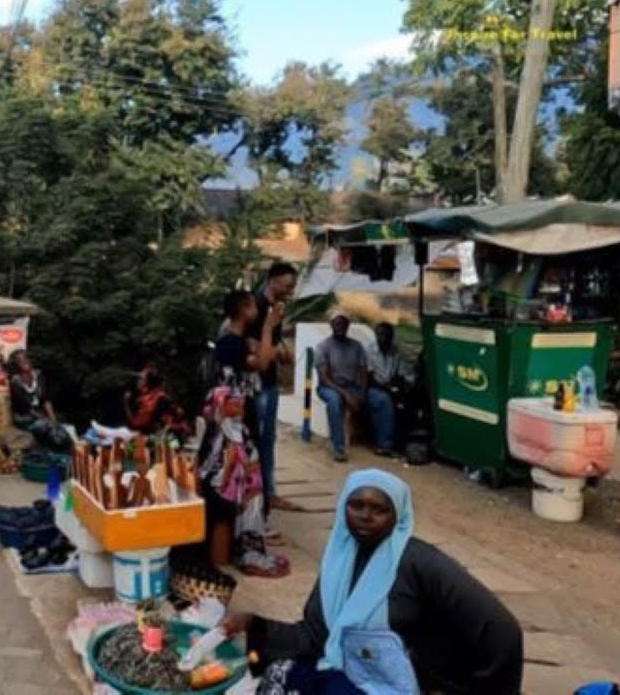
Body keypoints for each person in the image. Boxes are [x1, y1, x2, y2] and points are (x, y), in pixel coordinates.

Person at [220, 470, 524, 694]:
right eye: (357, 506)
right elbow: (317, 636)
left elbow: (501, 630)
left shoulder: (420, 563)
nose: (365, 517)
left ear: (398, 516)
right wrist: (252, 623)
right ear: (343, 509)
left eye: (379, 509)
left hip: (399, 686)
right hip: (346, 671)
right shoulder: (340, 558)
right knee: (274, 677)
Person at [211, 289, 290, 552]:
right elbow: (263, 363)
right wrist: (269, 326)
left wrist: (273, 340)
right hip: (234, 421)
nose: (256, 309)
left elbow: (267, 354)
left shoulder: (241, 339)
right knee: (240, 475)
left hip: (242, 415)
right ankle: (243, 534)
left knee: (245, 475)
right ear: (243, 310)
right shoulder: (230, 343)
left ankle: (249, 530)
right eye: (252, 306)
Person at [249, 261, 298, 512]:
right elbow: (251, 344)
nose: (291, 290)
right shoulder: (255, 305)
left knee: (268, 438)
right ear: (273, 280)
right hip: (256, 382)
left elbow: (275, 339)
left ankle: (270, 492)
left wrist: (284, 352)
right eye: (288, 285)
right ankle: (257, 494)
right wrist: (276, 352)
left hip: (270, 380)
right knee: (257, 439)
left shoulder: (277, 306)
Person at [316, 314, 394, 462]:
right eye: (337, 324)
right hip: (330, 388)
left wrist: (362, 394)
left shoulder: (356, 346)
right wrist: (346, 394)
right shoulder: (323, 347)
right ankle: (339, 449)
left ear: (348, 326)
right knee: (334, 402)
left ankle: (385, 445)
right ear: (331, 325)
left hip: (353, 387)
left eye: (343, 324)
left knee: (383, 399)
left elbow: (363, 372)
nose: (340, 327)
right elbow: (324, 378)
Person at [7, 350, 73, 453]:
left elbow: (46, 399)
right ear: (16, 364)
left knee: (59, 425)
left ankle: (61, 450)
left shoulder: (38, 375)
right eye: (20, 360)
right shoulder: (15, 382)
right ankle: (48, 451)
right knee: (44, 426)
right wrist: (47, 420)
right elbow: (25, 407)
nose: (24, 361)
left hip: (39, 413)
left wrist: (53, 419)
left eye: (26, 358)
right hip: (24, 417)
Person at [367, 323, 416, 454]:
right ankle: (384, 444)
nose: (384, 338)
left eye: (387, 335)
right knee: (385, 401)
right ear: (376, 335)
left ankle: (402, 443)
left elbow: (401, 374)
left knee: (406, 402)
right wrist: (388, 388)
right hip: (372, 388)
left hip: (390, 387)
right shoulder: (370, 350)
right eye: (381, 335)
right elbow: (368, 377)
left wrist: (398, 388)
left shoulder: (395, 351)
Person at [123, 366, 190, 439]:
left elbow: (179, 413)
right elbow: (133, 422)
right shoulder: (141, 398)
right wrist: (126, 403)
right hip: (140, 434)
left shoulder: (159, 397)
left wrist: (173, 427)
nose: (139, 381)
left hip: (152, 437)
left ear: (148, 382)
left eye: (142, 379)